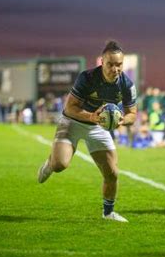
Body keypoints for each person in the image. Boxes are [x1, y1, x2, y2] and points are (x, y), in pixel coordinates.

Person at [37, 40, 137, 222]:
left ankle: (108, 213)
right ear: (102, 62)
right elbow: (69, 108)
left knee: (112, 173)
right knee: (61, 165)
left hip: (98, 126)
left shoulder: (127, 84)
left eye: (119, 64)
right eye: (111, 64)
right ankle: (50, 163)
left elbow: (132, 114)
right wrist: (92, 117)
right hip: (73, 122)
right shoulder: (87, 77)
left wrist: (121, 120)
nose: (115, 69)